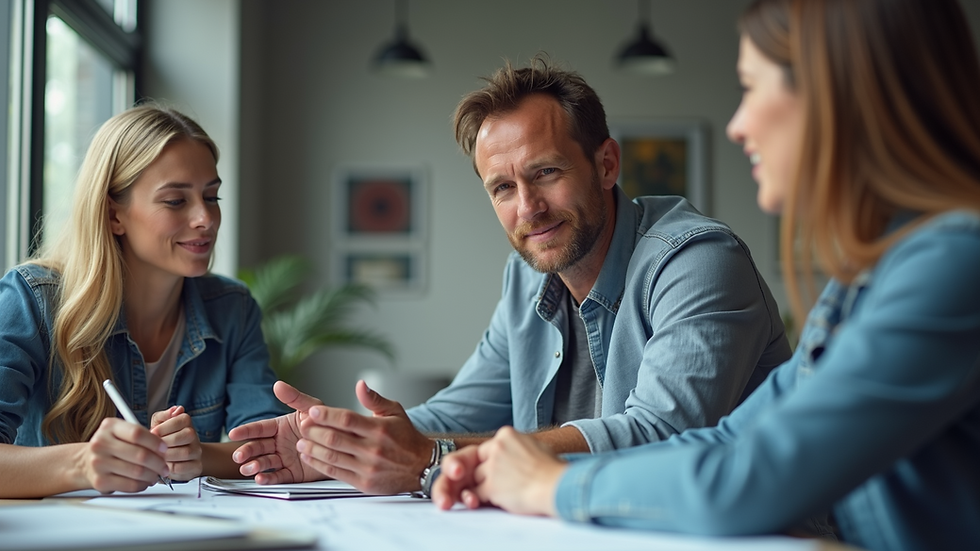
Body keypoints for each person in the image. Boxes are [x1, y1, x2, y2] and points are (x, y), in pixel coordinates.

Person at [432, 0, 980, 549]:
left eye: (752, 87)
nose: (738, 125)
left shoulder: (953, 265)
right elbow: (727, 442)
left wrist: (552, 483)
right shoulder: (874, 276)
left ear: (840, 95)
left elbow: (748, 479)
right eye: (503, 188)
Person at [229, 56, 792, 497]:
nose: (529, 208)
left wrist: (433, 459)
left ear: (606, 164)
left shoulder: (696, 262)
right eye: (503, 188)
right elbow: (454, 414)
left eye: (545, 173)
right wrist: (337, 443)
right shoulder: (528, 280)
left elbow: (660, 438)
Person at [0, 105, 285, 498]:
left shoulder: (232, 309)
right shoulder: (31, 300)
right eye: (175, 201)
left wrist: (197, 455)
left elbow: (270, 447)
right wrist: (84, 463)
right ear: (114, 214)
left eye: (212, 196)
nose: (206, 218)